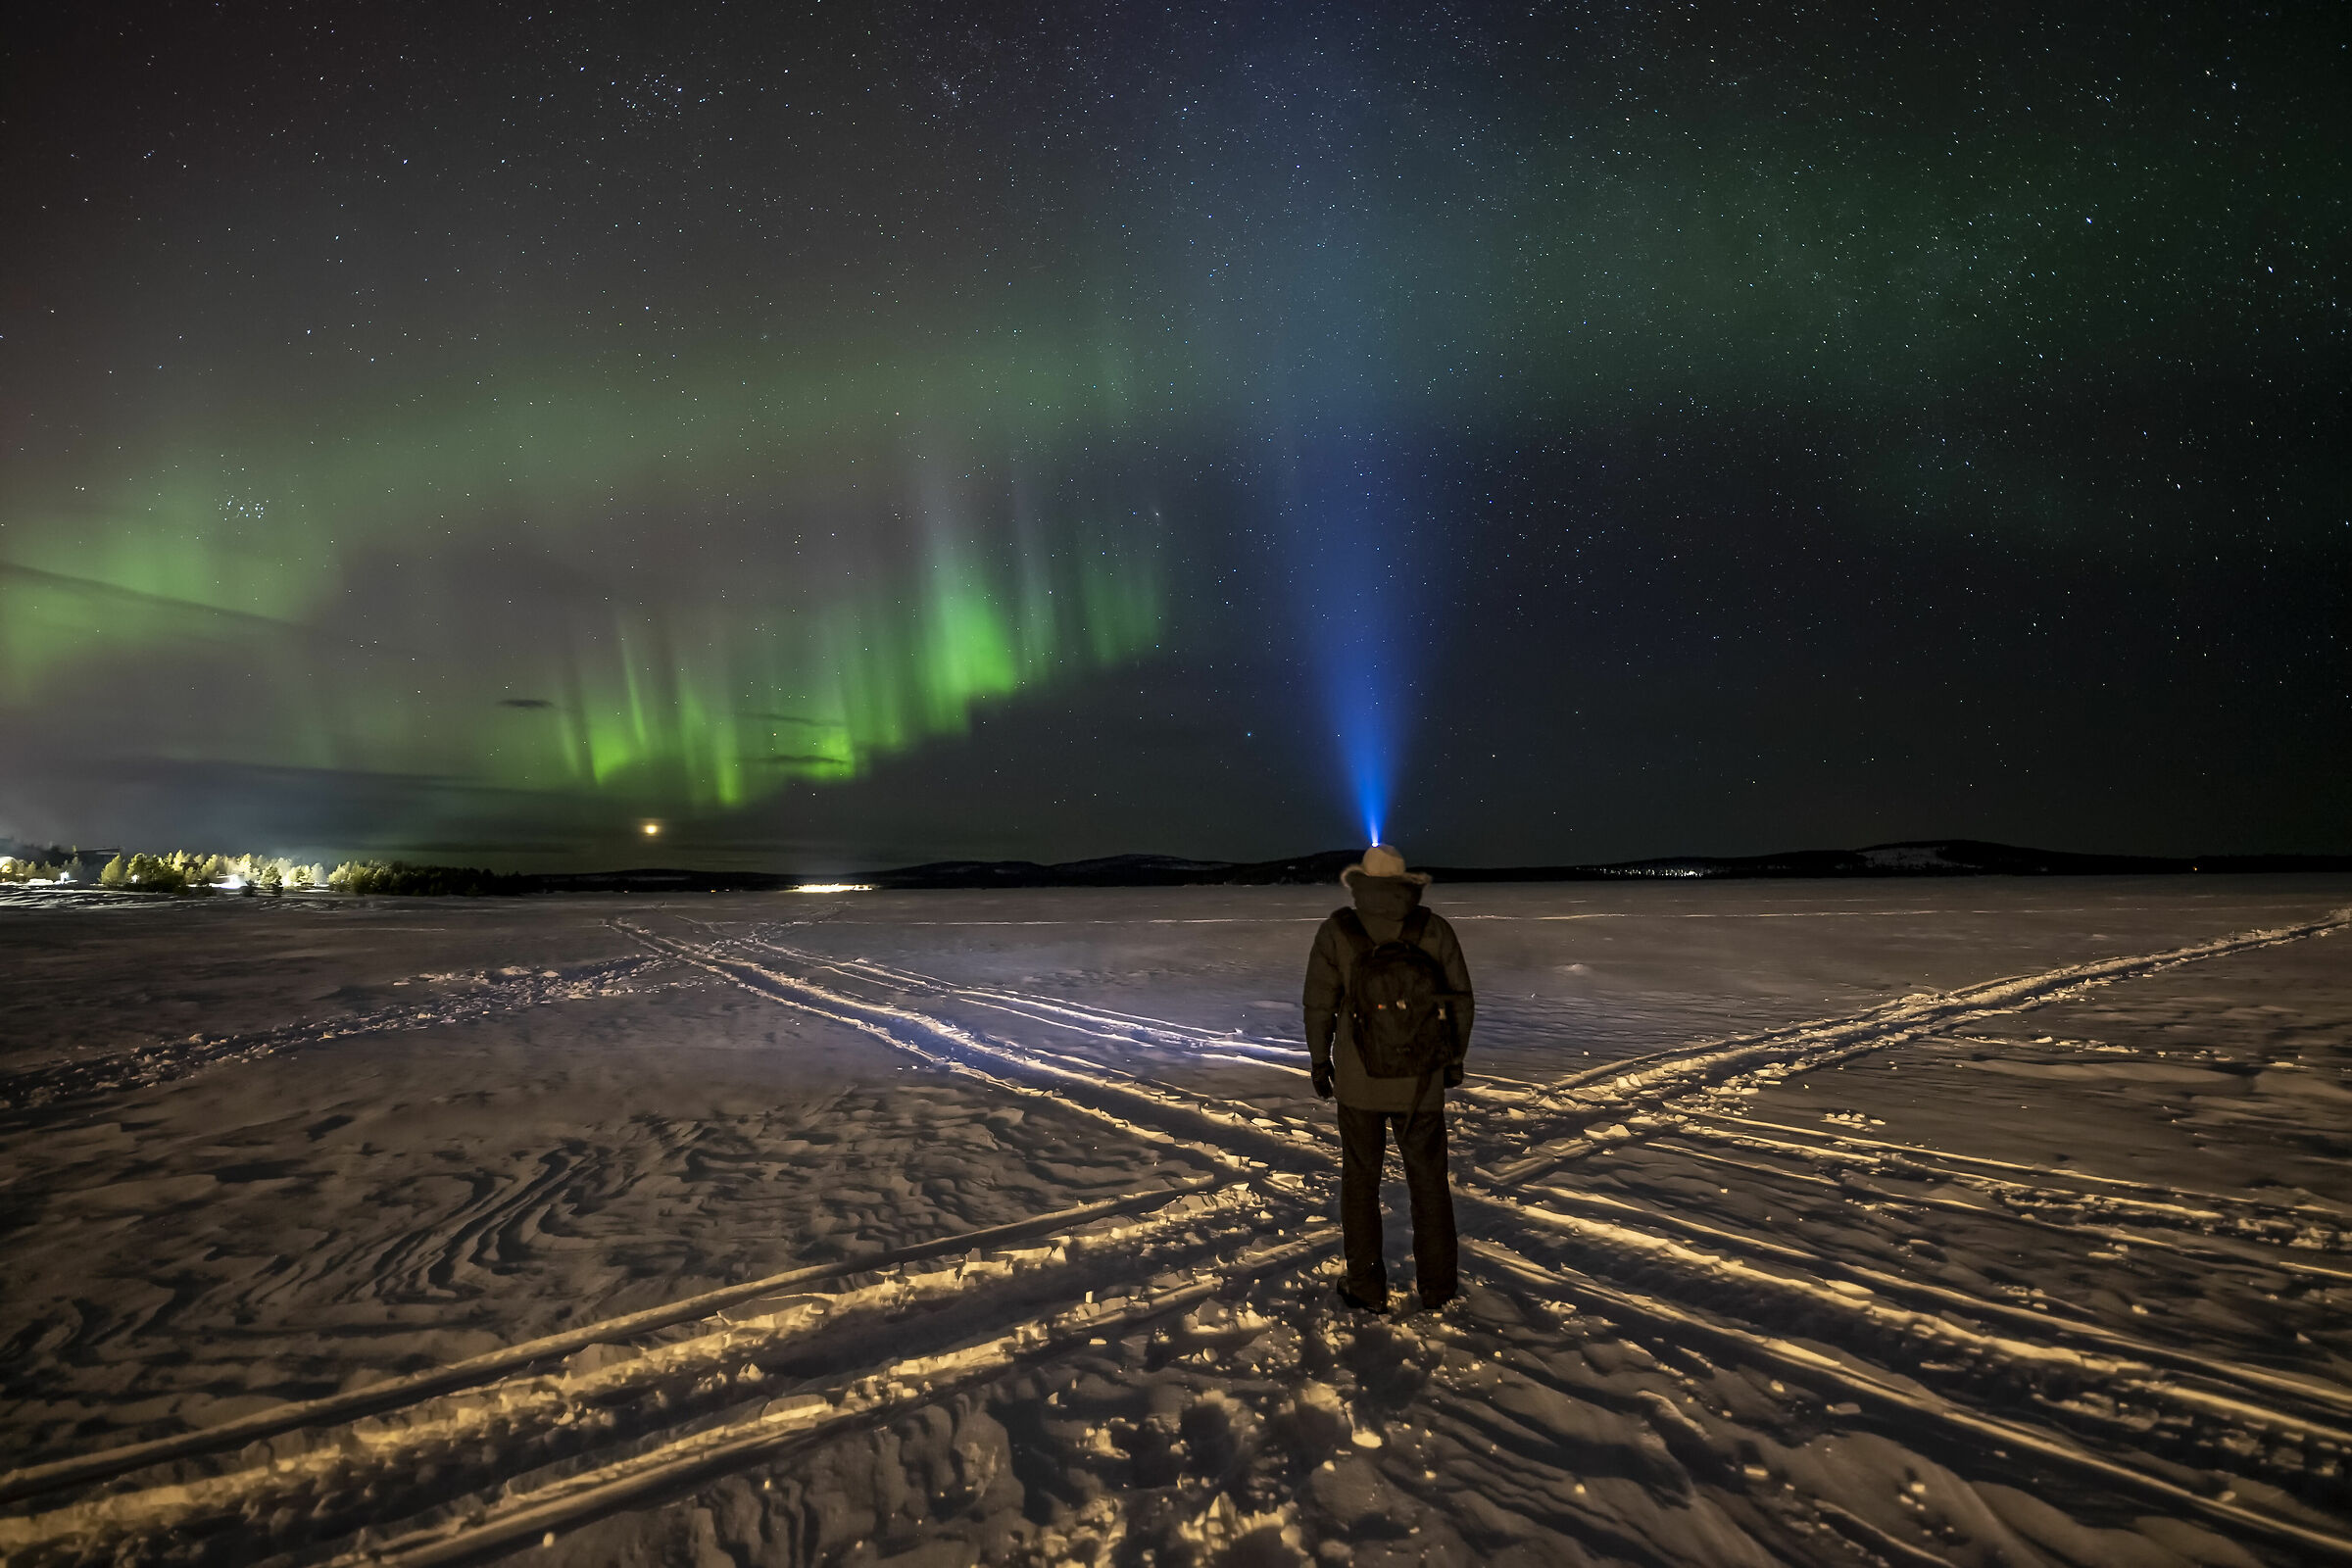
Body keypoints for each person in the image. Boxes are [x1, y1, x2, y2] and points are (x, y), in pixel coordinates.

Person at [1302, 843, 1473, 1314]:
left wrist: (1321, 1060)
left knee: (1360, 1182)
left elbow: (1318, 1002)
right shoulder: (1432, 929)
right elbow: (1460, 1001)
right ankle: (1437, 1289)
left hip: (1359, 1083)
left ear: (1362, 881)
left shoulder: (1338, 930)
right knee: (1430, 1185)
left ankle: (1365, 1286)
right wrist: (1452, 1061)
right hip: (1422, 1081)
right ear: (1405, 882)